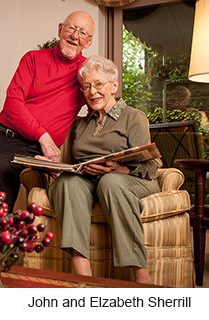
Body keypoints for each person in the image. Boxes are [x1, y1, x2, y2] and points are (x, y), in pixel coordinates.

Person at [0, 11, 95, 211]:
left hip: (28, 147)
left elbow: (102, 100)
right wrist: (45, 138)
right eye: (71, 28)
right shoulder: (32, 59)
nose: (75, 36)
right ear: (60, 29)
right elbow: (13, 102)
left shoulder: (86, 73)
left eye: (82, 32)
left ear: (88, 42)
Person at [48, 55, 162, 284]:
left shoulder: (133, 117)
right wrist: (51, 164)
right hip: (88, 180)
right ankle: (83, 273)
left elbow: (152, 164)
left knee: (111, 182)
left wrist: (121, 169)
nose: (92, 92)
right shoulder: (80, 123)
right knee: (67, 183)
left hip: (129, 179)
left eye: (99, 84)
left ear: (114, 86)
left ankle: (141, 274)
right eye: (87, 86)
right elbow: (67, 162)